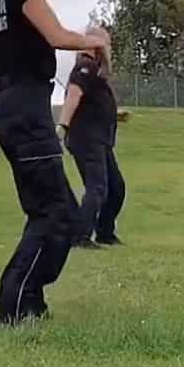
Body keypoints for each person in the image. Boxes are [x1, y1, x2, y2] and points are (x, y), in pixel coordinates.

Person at [0, 0, 106, 325]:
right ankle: (14, 303)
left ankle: (31, 299)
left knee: (61, 210)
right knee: (52, 212)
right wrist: (95, 40)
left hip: (12, 104)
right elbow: (56, 35)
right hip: (28, 108)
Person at [58, 37, 125, 248]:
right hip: (87, 138)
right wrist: (63, 126)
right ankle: (80, 236)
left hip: (100, 139)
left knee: (116, 187)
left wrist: (115, 114)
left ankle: (105, 232)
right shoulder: (85, 66)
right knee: (97, 188)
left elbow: (91, 102)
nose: (109, 46)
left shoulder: (95, 71)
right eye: (106, 41)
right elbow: (73, 96)